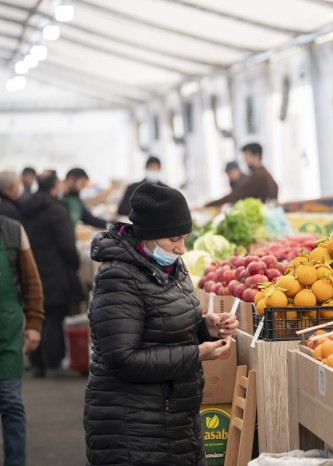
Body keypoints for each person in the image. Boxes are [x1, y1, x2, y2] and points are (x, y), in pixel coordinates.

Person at [84, 183, 239, 466]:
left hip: (173, 419)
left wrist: (206, 328)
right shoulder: (117, 278)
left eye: (185, 238)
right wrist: (197, 353)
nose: (181, 248)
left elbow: (164, 327)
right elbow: (123, 359)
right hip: (134, 427)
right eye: (173, 239)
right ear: (148, 237)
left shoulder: (169, 266)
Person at [20, 173, 81, 377]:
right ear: (55, 188)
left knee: (37, 314)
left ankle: (38, 363)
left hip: (31, 267)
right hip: (55, 270)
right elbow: (66, 243)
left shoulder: (25, 208)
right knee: (54, 316)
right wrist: (75, 263)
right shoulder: (56, 209)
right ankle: (53, 363)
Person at [0, 214, 44, 466]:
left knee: (11, 403)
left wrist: (35, 324)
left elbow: (32, 282)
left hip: (7, 332)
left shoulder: (13, 231)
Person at [205, 143, 278, 207]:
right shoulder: (265, 173)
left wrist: (208, 205)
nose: (245, 159)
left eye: (247, 155)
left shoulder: (258, 175)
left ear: (256, 156)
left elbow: (236, 195)